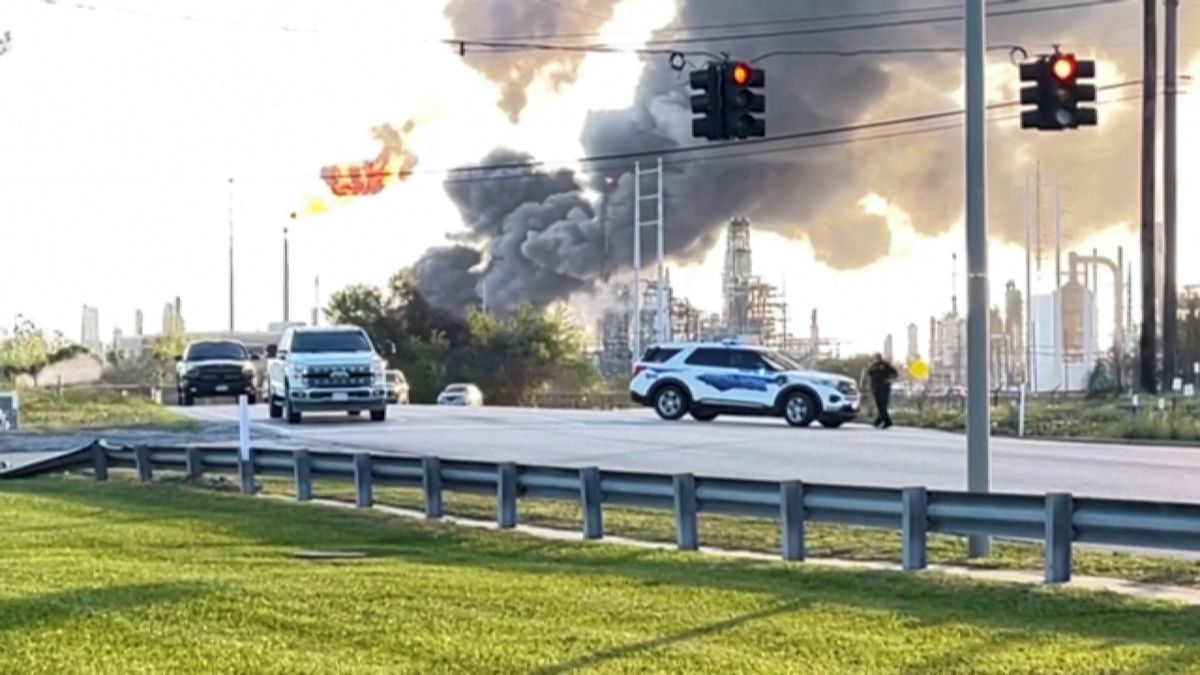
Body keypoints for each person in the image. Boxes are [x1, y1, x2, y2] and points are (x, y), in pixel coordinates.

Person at [867, 354, 899, 429]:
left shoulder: (885, 365)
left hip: (884, 387)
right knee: (879, 405)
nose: (877, 359)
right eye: (876, 358)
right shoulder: (873, 366)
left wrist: (889, 380)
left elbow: (895, 373)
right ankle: (880, 421)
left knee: (883, 405)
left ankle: (885, 422)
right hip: (876, 388)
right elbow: (870, 374)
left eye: (878, 357)